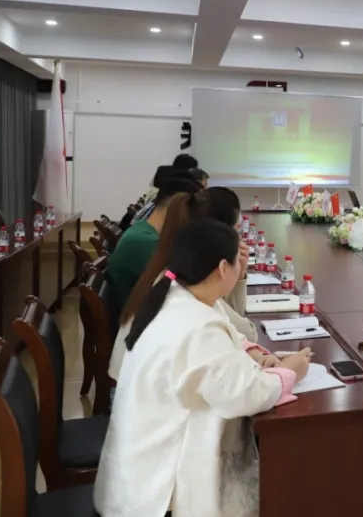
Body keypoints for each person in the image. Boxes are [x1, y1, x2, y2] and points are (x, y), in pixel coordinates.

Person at [94, 220, 312, 517]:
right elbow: (246, 393)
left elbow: (227, 340)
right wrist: (291, 371)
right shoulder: (196, 325)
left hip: (134, 467)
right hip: (158, 494)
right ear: (223, 268)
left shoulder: (175, 293)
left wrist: (256, 356)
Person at [110, 187, 259, 381]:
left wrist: (236, 273)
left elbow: (233, 322)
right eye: (235, 231)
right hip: (138, 390)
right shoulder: (187, 281)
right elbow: (248, 332)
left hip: (129, 385)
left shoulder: (172, 267)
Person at [107, 174, 202, 312]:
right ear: (178, 208)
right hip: (140, 319)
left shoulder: (142, 229)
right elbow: (183, 288)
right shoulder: (146, 243)